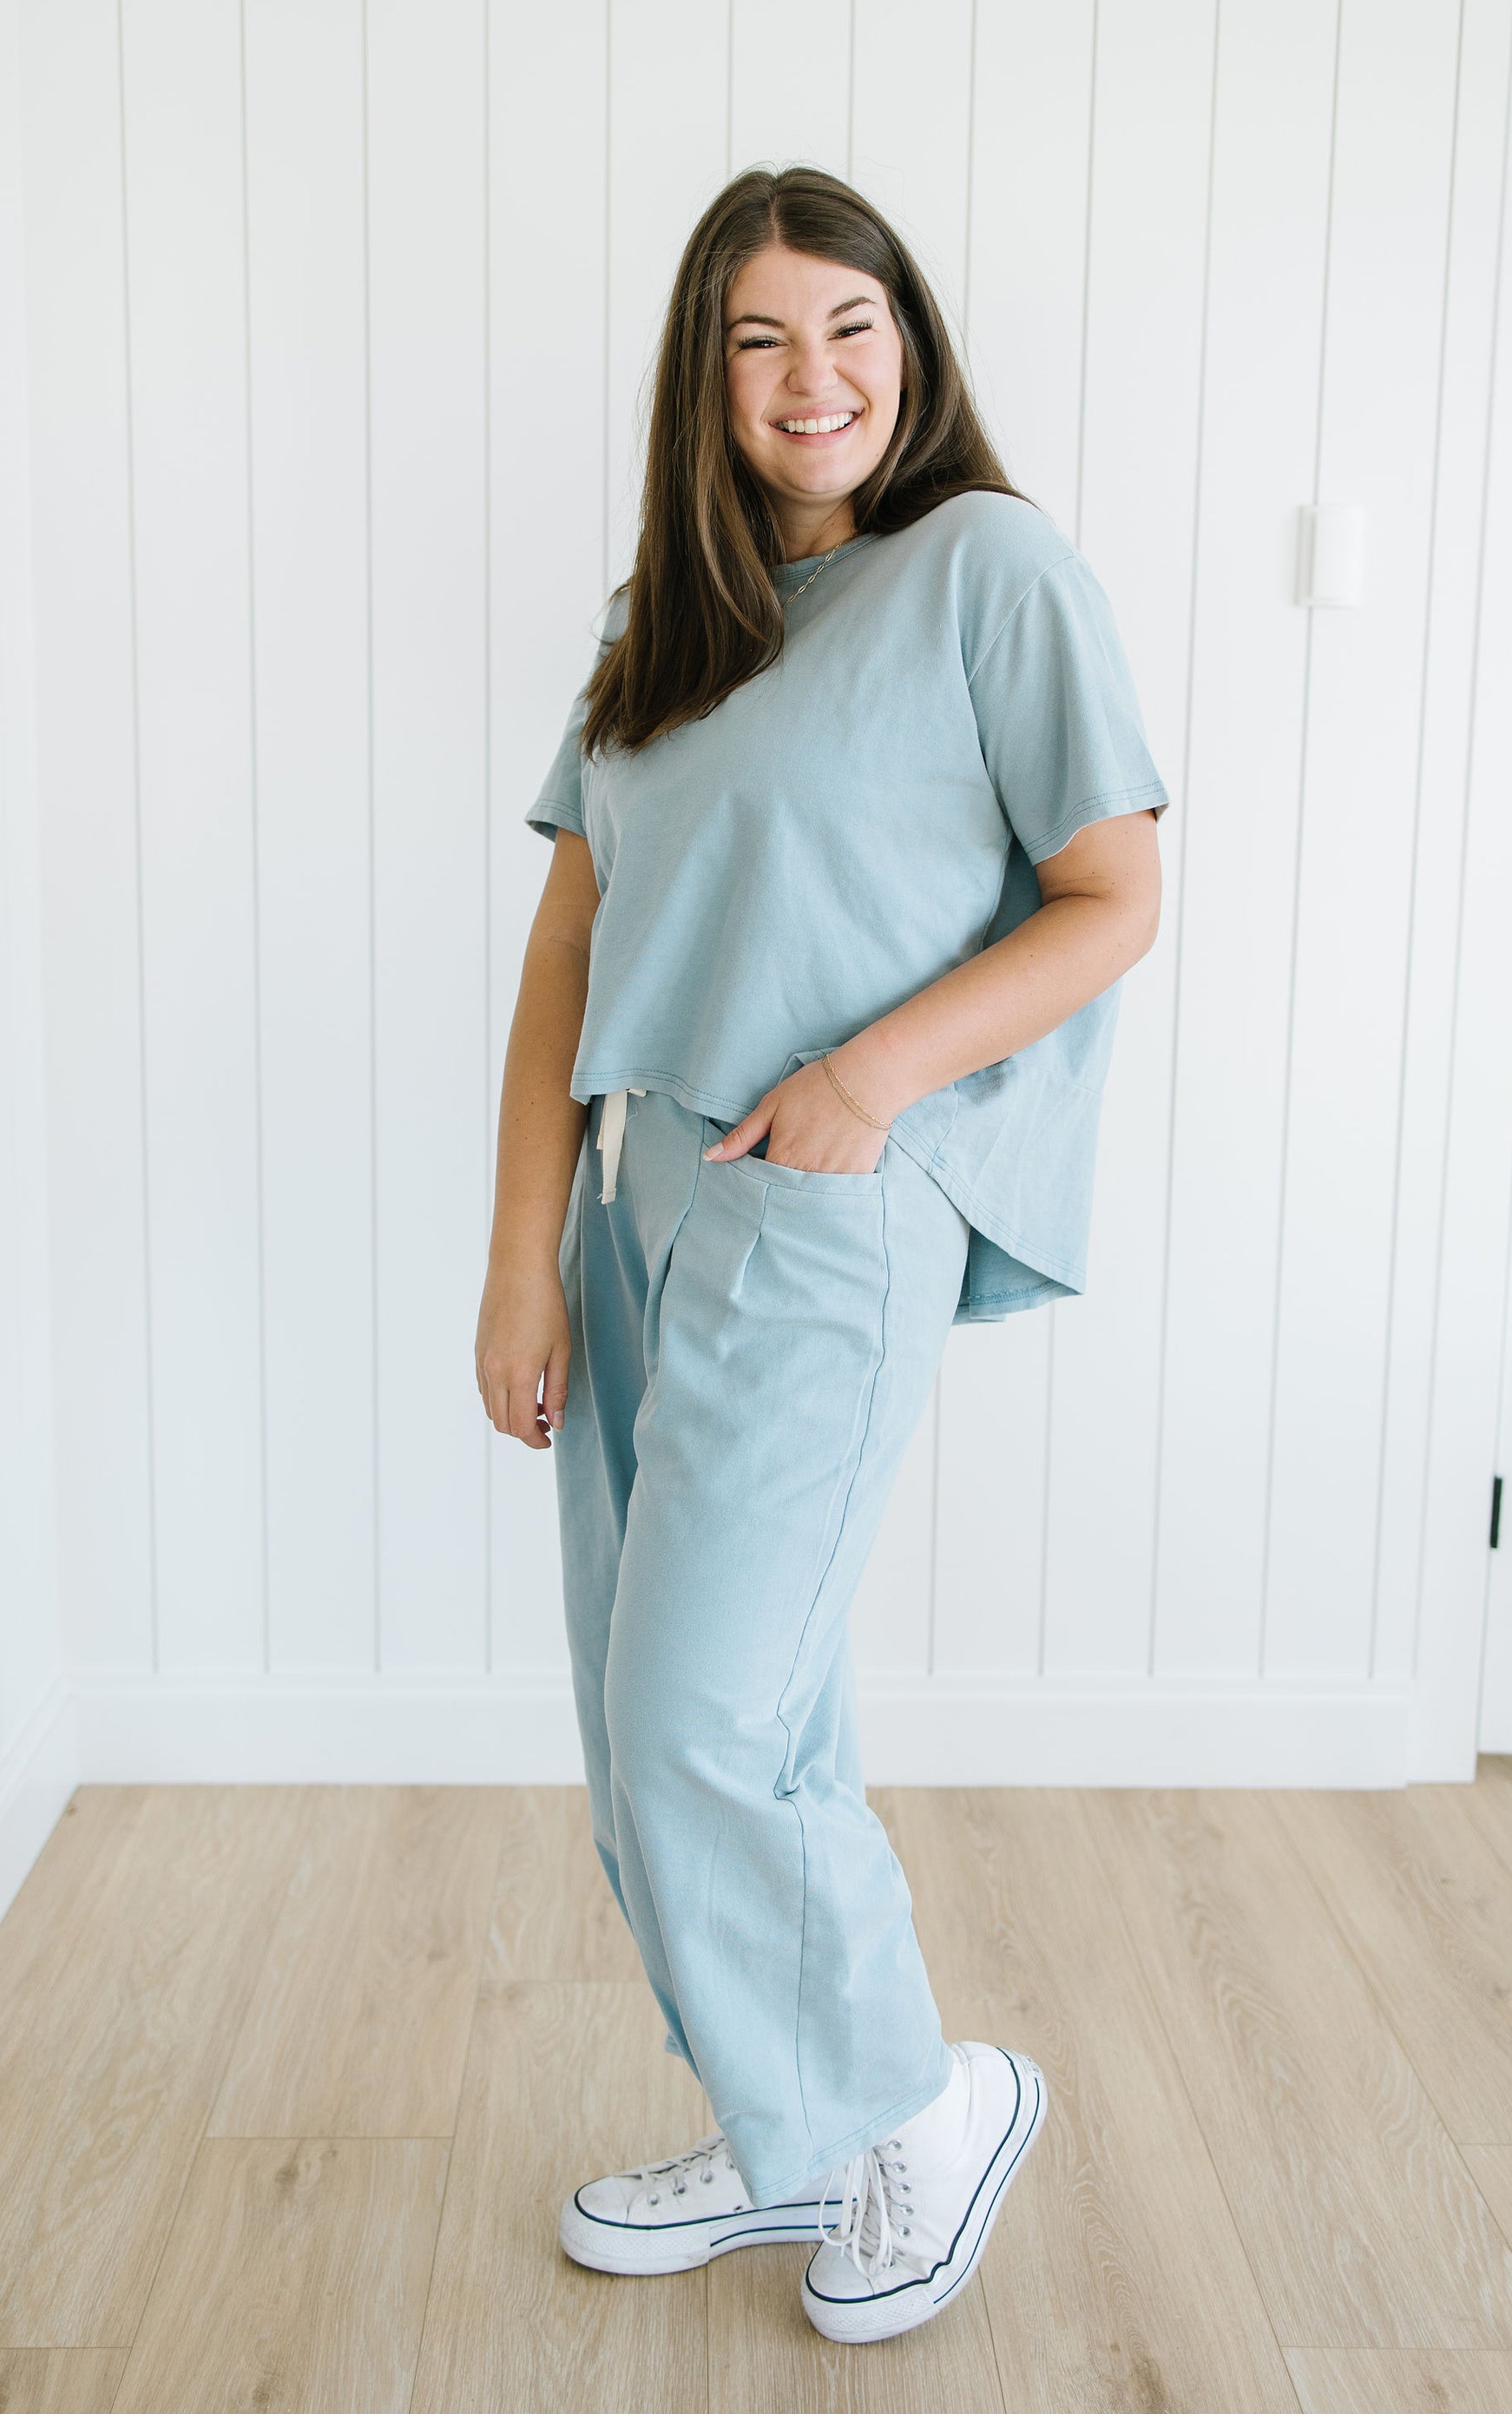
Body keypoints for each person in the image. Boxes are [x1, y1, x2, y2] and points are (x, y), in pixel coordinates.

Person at [475, 165, 1168, 2348]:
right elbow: (568, 937)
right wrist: (515, 1257)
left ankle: (917, 2099)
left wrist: (873, 1078)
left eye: (851, 325)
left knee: (699, 1713)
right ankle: (787, 2126)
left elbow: (1111, 890)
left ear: (911, 342)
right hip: (627, 1210)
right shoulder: (655, 625)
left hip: (823, 1208)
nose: (815, 376)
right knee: (671, 1725)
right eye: (763, 337)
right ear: (708, 373)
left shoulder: (989, 570)